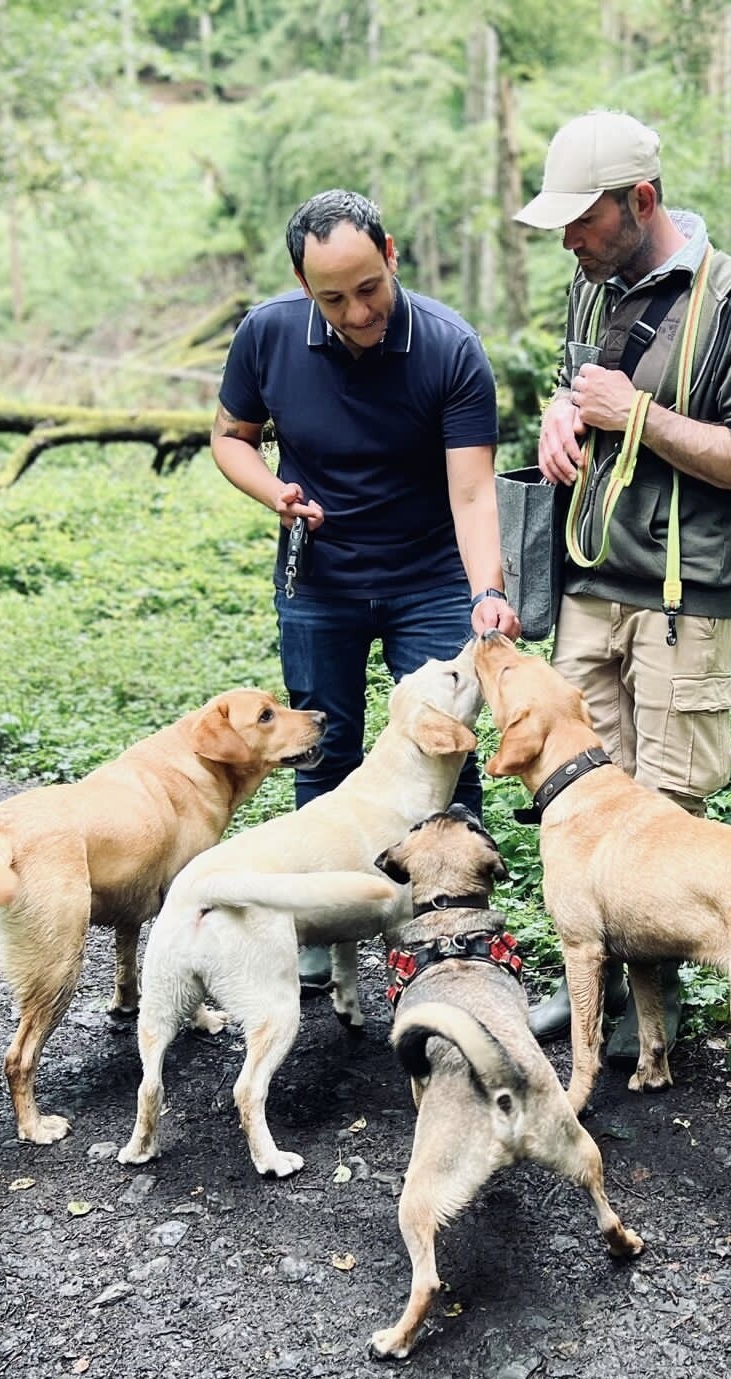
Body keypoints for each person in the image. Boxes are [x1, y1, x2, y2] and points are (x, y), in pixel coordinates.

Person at [513, 111, 731, 1055]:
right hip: (593, 591)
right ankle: (589, 986)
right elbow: (584, 392)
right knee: (579, 802)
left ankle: (657, 1013)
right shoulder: (598, 287)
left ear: (641, 201)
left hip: (683, 603)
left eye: (583, 220)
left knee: (666, 815)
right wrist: (563, 417)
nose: (569, 238)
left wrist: (640, 415)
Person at [212, 188, 520, 988]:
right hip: (321, 578)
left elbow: (474, 493)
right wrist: (270, 491)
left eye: (368, 288)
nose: (355, 312)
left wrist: (486, 592)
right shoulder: (267, 335)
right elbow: (231, 437)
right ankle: (320, 926)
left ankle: (460, 930)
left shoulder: (450, 350)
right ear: (303, 285)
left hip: (428, 572)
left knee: (448, 748)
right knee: (322, 745)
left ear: (391, 255)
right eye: (332, 298)